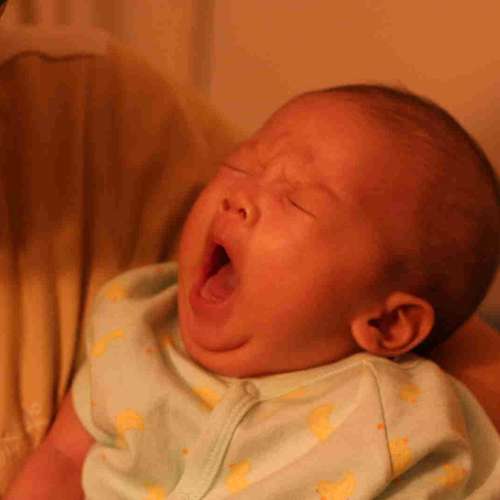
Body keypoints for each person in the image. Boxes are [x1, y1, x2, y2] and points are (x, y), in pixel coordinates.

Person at [6, 84, 500, 499]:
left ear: (386, 323)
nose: (237, 196)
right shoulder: (135, 327)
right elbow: (63, 457)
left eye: (295, 200)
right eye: (240, 166)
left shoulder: (400, 421)